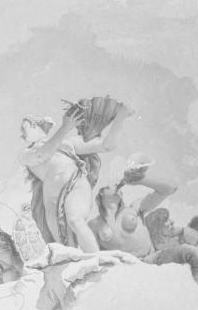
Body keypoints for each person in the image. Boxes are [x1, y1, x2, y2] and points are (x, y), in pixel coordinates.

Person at [20, 105, 130, 253]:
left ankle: (96, 260)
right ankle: (81, 268)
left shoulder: (69, 143)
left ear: (37, 126)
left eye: (24, 128)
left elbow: (106, 145)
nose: (21, 135)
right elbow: (42, 155)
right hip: (52, 200)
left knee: (74, 219)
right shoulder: (26, 153)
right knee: (65, 244)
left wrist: (120, 118)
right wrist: (65, 127)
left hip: (76, 186)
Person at [88, 163, 178, 257]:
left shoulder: (135, 207)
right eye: (109, 186)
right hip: (124, 267)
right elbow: (93, 254)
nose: (116, 186)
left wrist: (141, 180)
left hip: (151, 259)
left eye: (117, 185)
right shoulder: (93, 225)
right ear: (101, 193)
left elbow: (171, 188)